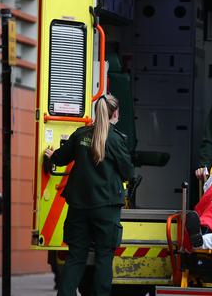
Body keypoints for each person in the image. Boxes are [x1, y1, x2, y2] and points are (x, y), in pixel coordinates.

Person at [44, 94, 134, 296]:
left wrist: (52, 155)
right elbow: (128, 172)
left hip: (79, 207)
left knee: (76, 257)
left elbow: (61, 157)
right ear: (116, 113)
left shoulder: (80, 134)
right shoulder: (116, 139)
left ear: (96, 112)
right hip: (106, 208)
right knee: (104, 257)